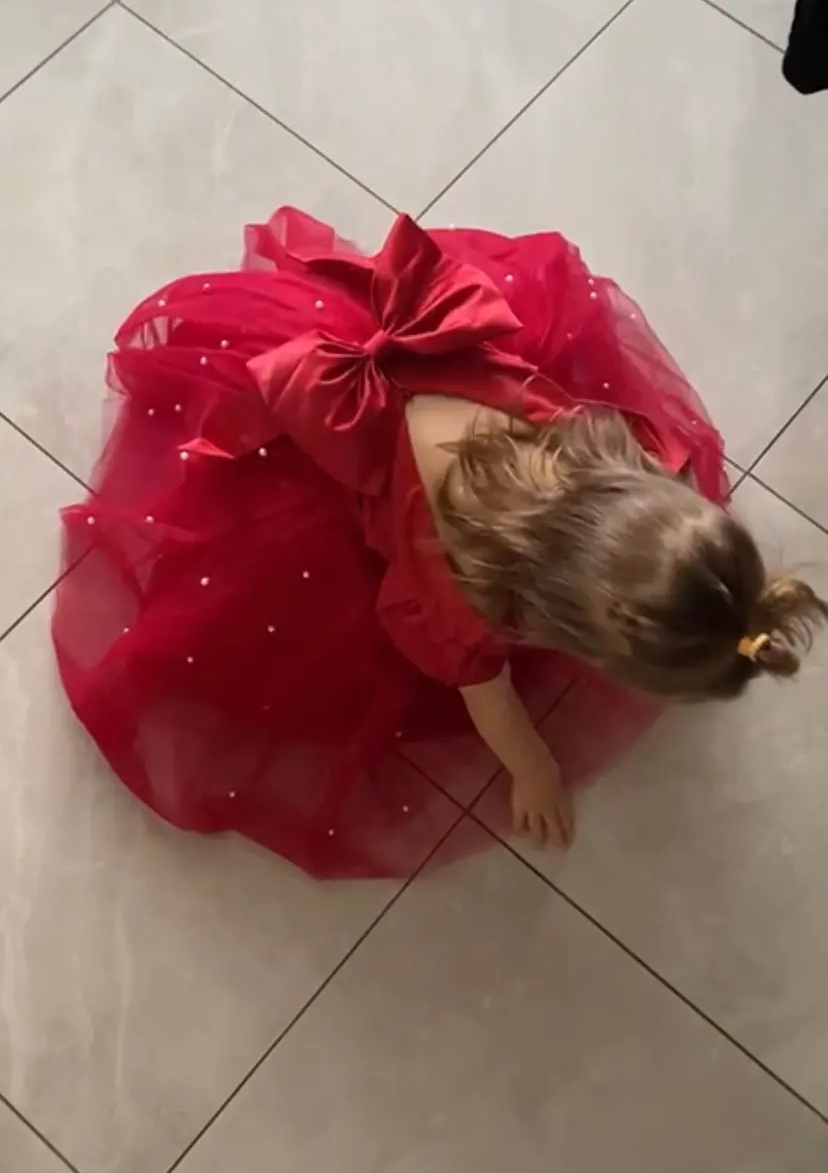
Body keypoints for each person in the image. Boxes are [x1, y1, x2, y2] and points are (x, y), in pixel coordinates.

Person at [52, 209, 826, 878]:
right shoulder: (464, 603)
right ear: (567, 626)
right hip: (339, 430)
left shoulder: (586, 433)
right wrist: (532, 768)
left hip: (413, 363)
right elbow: (491, 703)